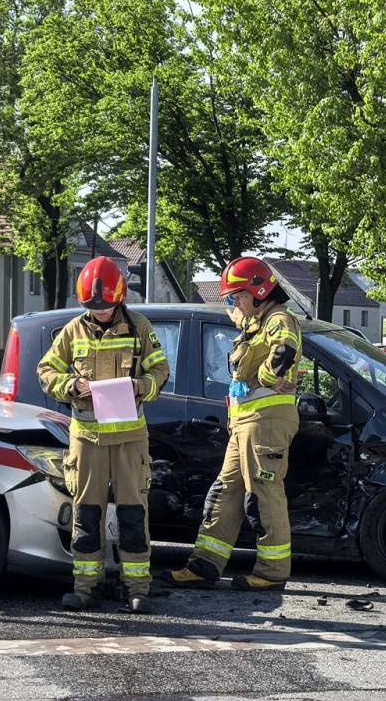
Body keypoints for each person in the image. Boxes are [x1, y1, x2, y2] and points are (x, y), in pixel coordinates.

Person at [36, 257, 170, 613]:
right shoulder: (72, 330)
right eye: (92, 307)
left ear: (119, 299)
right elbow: (46, 370)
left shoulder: (139, 327)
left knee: (132, 515)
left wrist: (141, 386)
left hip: (129, 439)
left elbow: (161, 370)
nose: (99, 312)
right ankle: (85, 588)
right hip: (88, 439)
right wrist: (71, 384)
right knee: (87, 515)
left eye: (105, 307)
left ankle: (137, 588)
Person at [165, 256, 303, 591]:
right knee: (225, 492)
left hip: (266, 422)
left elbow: (284, 353)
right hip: (246, 423)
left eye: (237, 296)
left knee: (263, 495)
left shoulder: (279, 319)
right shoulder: (257, 322)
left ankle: (271, 573)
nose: (234, 302)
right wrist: (243, 322)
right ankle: (205, 564)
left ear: (258, 291)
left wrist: (263, 379)